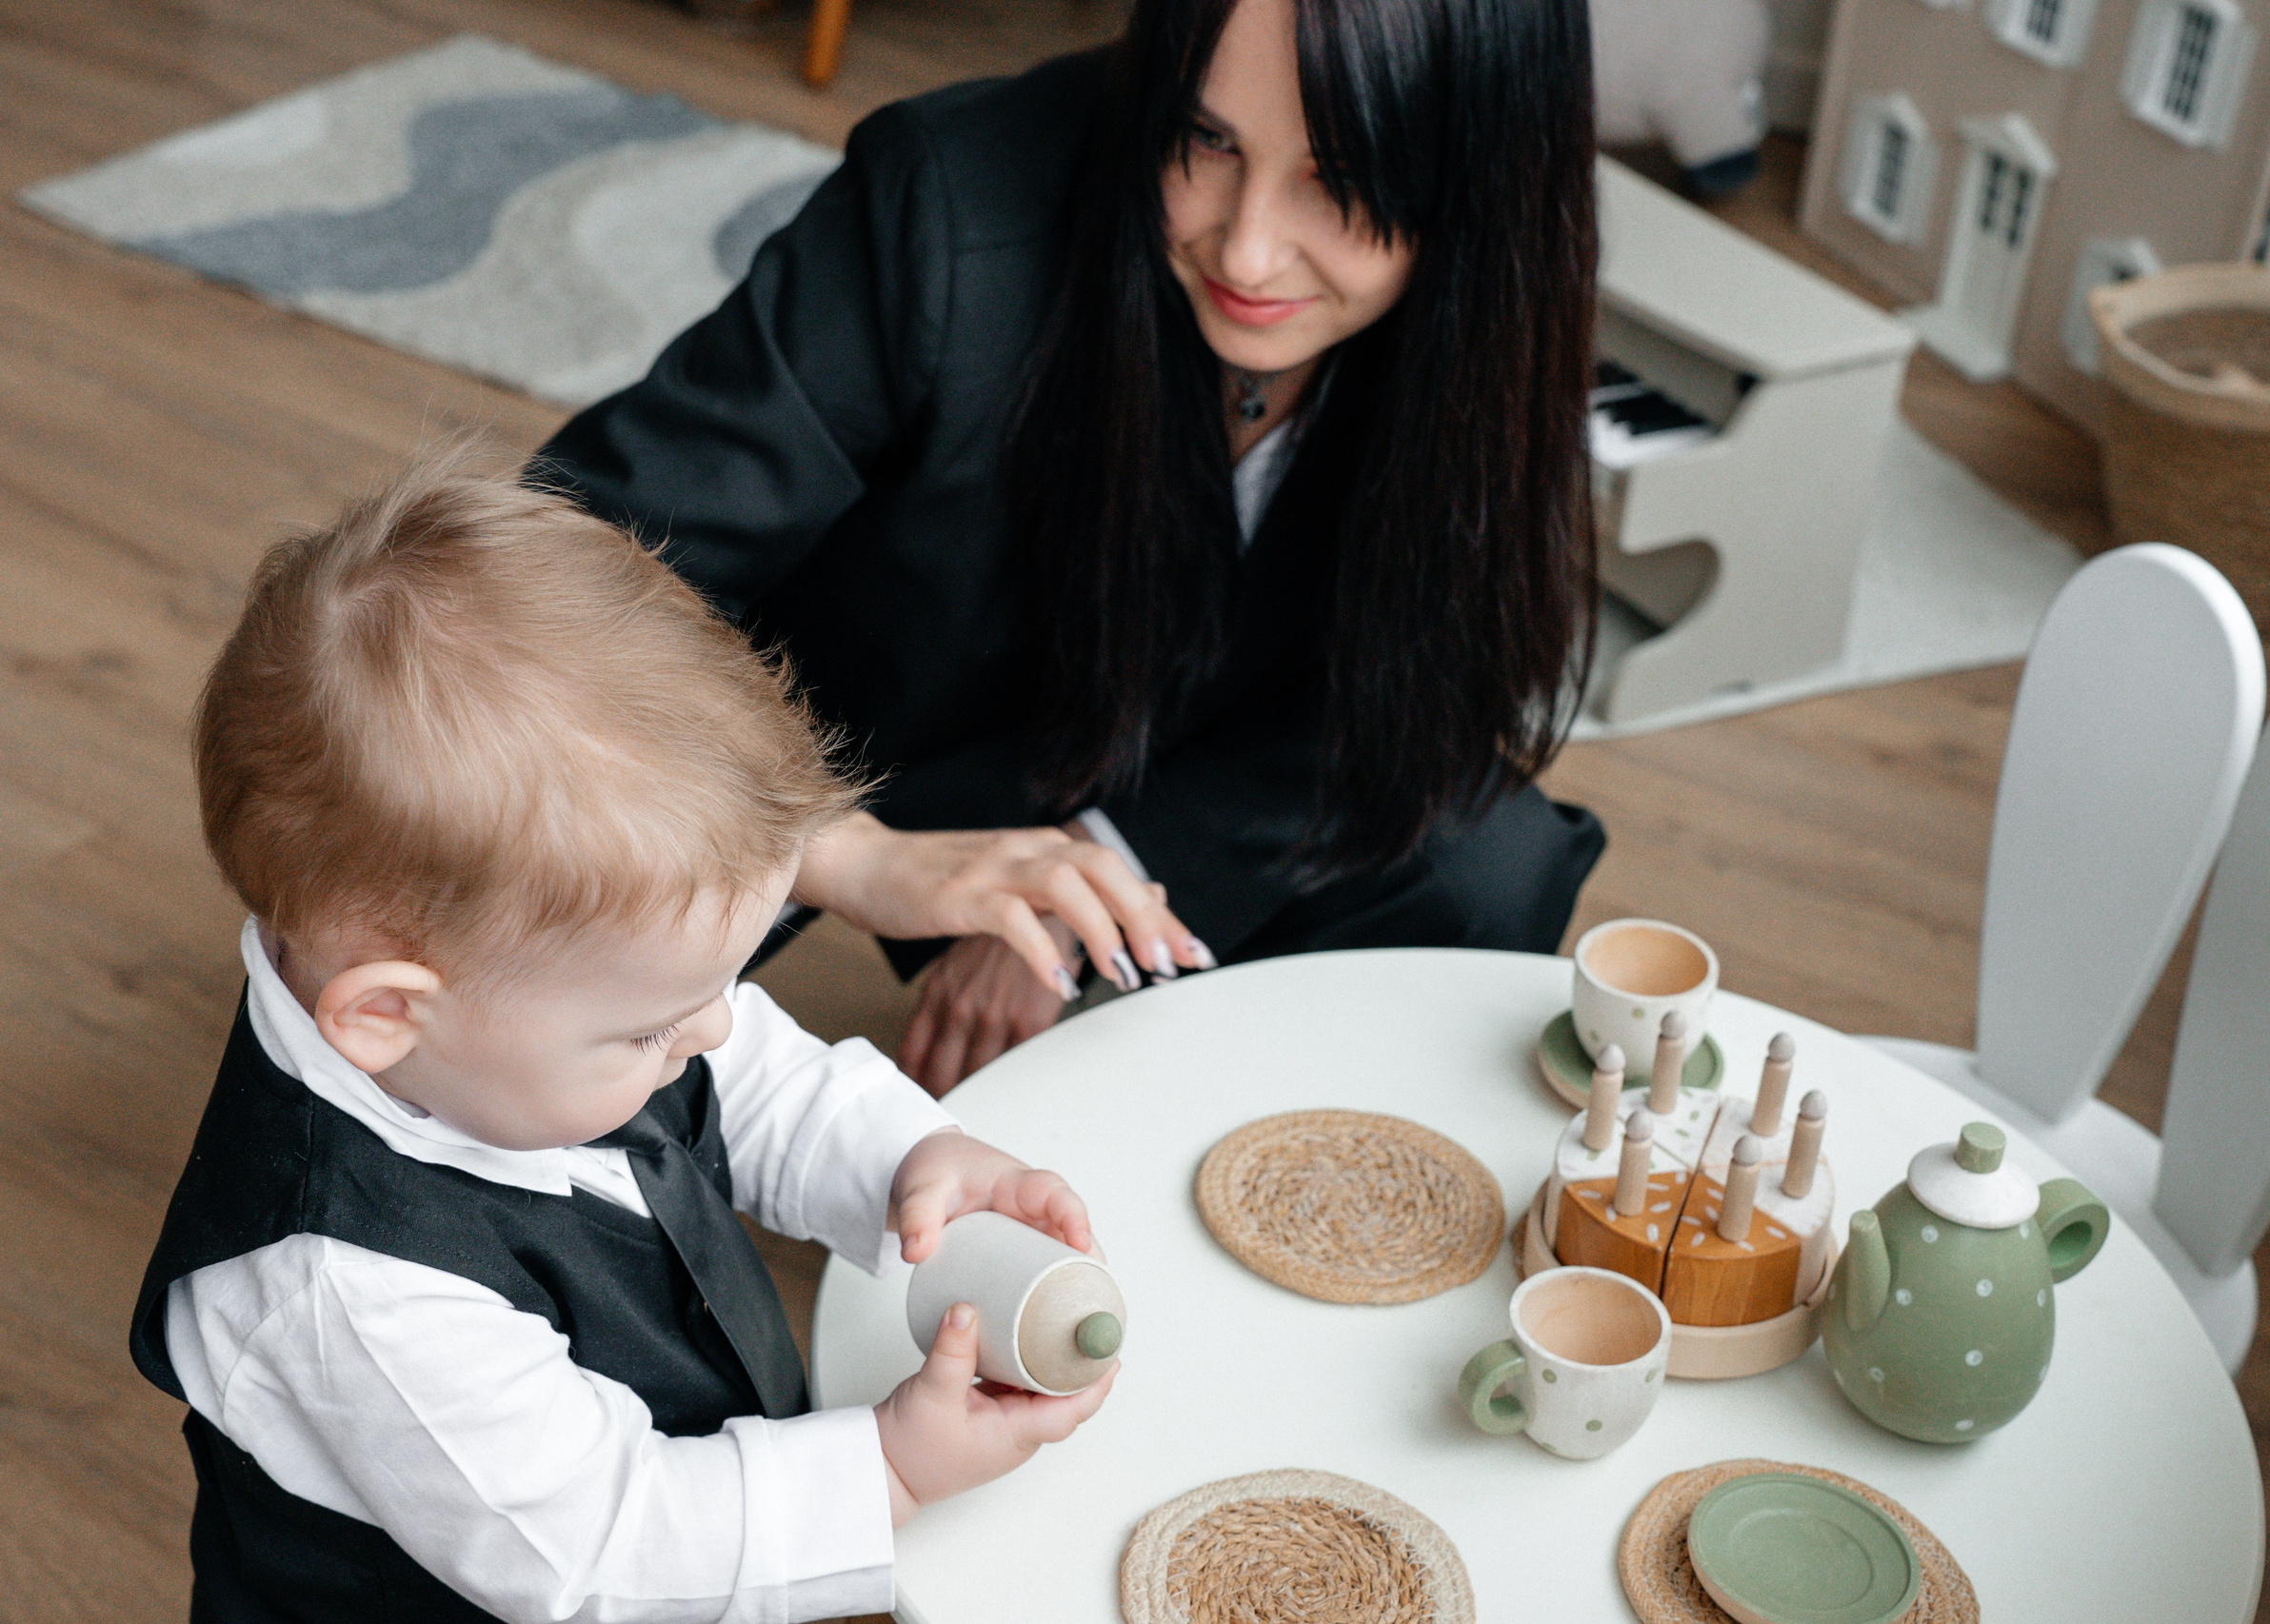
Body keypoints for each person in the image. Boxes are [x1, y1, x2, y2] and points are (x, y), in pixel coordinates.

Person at [533, 0, 1607, 1095]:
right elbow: (551, 579)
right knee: (525, 1087)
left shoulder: (1498, 306)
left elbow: (1414, 679)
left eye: (1339, 180)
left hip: (1181, 751)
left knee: (1484, 862)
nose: (1247, 248)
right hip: (808, 753)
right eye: (1204, 139)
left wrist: (1090, 874)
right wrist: (838, 850)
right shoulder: (946, 201)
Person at [130, 461, 1115, 1623]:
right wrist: (889, 1467)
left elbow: (762, 1082)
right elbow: (613, 1546)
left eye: (719, 983)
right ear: (388, 1012)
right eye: (653, 1024)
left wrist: (913, 1164)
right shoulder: (342, 1287)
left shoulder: (538, 1020)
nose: (711, 1029)